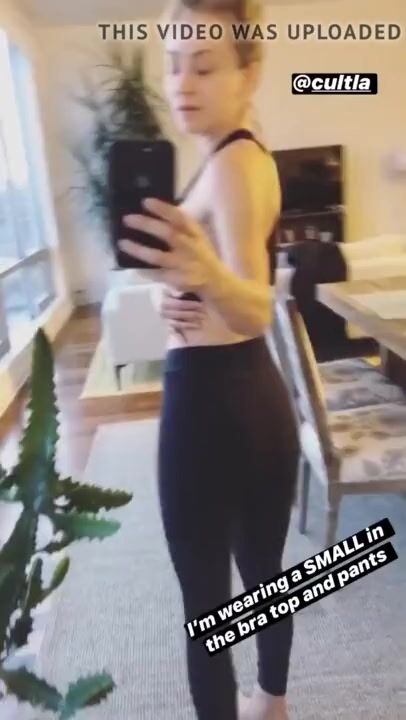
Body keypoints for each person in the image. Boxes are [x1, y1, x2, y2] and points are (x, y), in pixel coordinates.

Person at [118, 1, 300, 718]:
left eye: (204, 65)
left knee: (206, 608)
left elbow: (254, 304)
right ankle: (271, 704)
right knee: (264, 579)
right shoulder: (243, 155)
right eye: (172, 64)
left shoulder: (231, 165)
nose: (181, 83)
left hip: (210, 408)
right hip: (254, 399)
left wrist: (209, 275)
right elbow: (225, 287)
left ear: (248, 75)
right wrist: (185, 287)